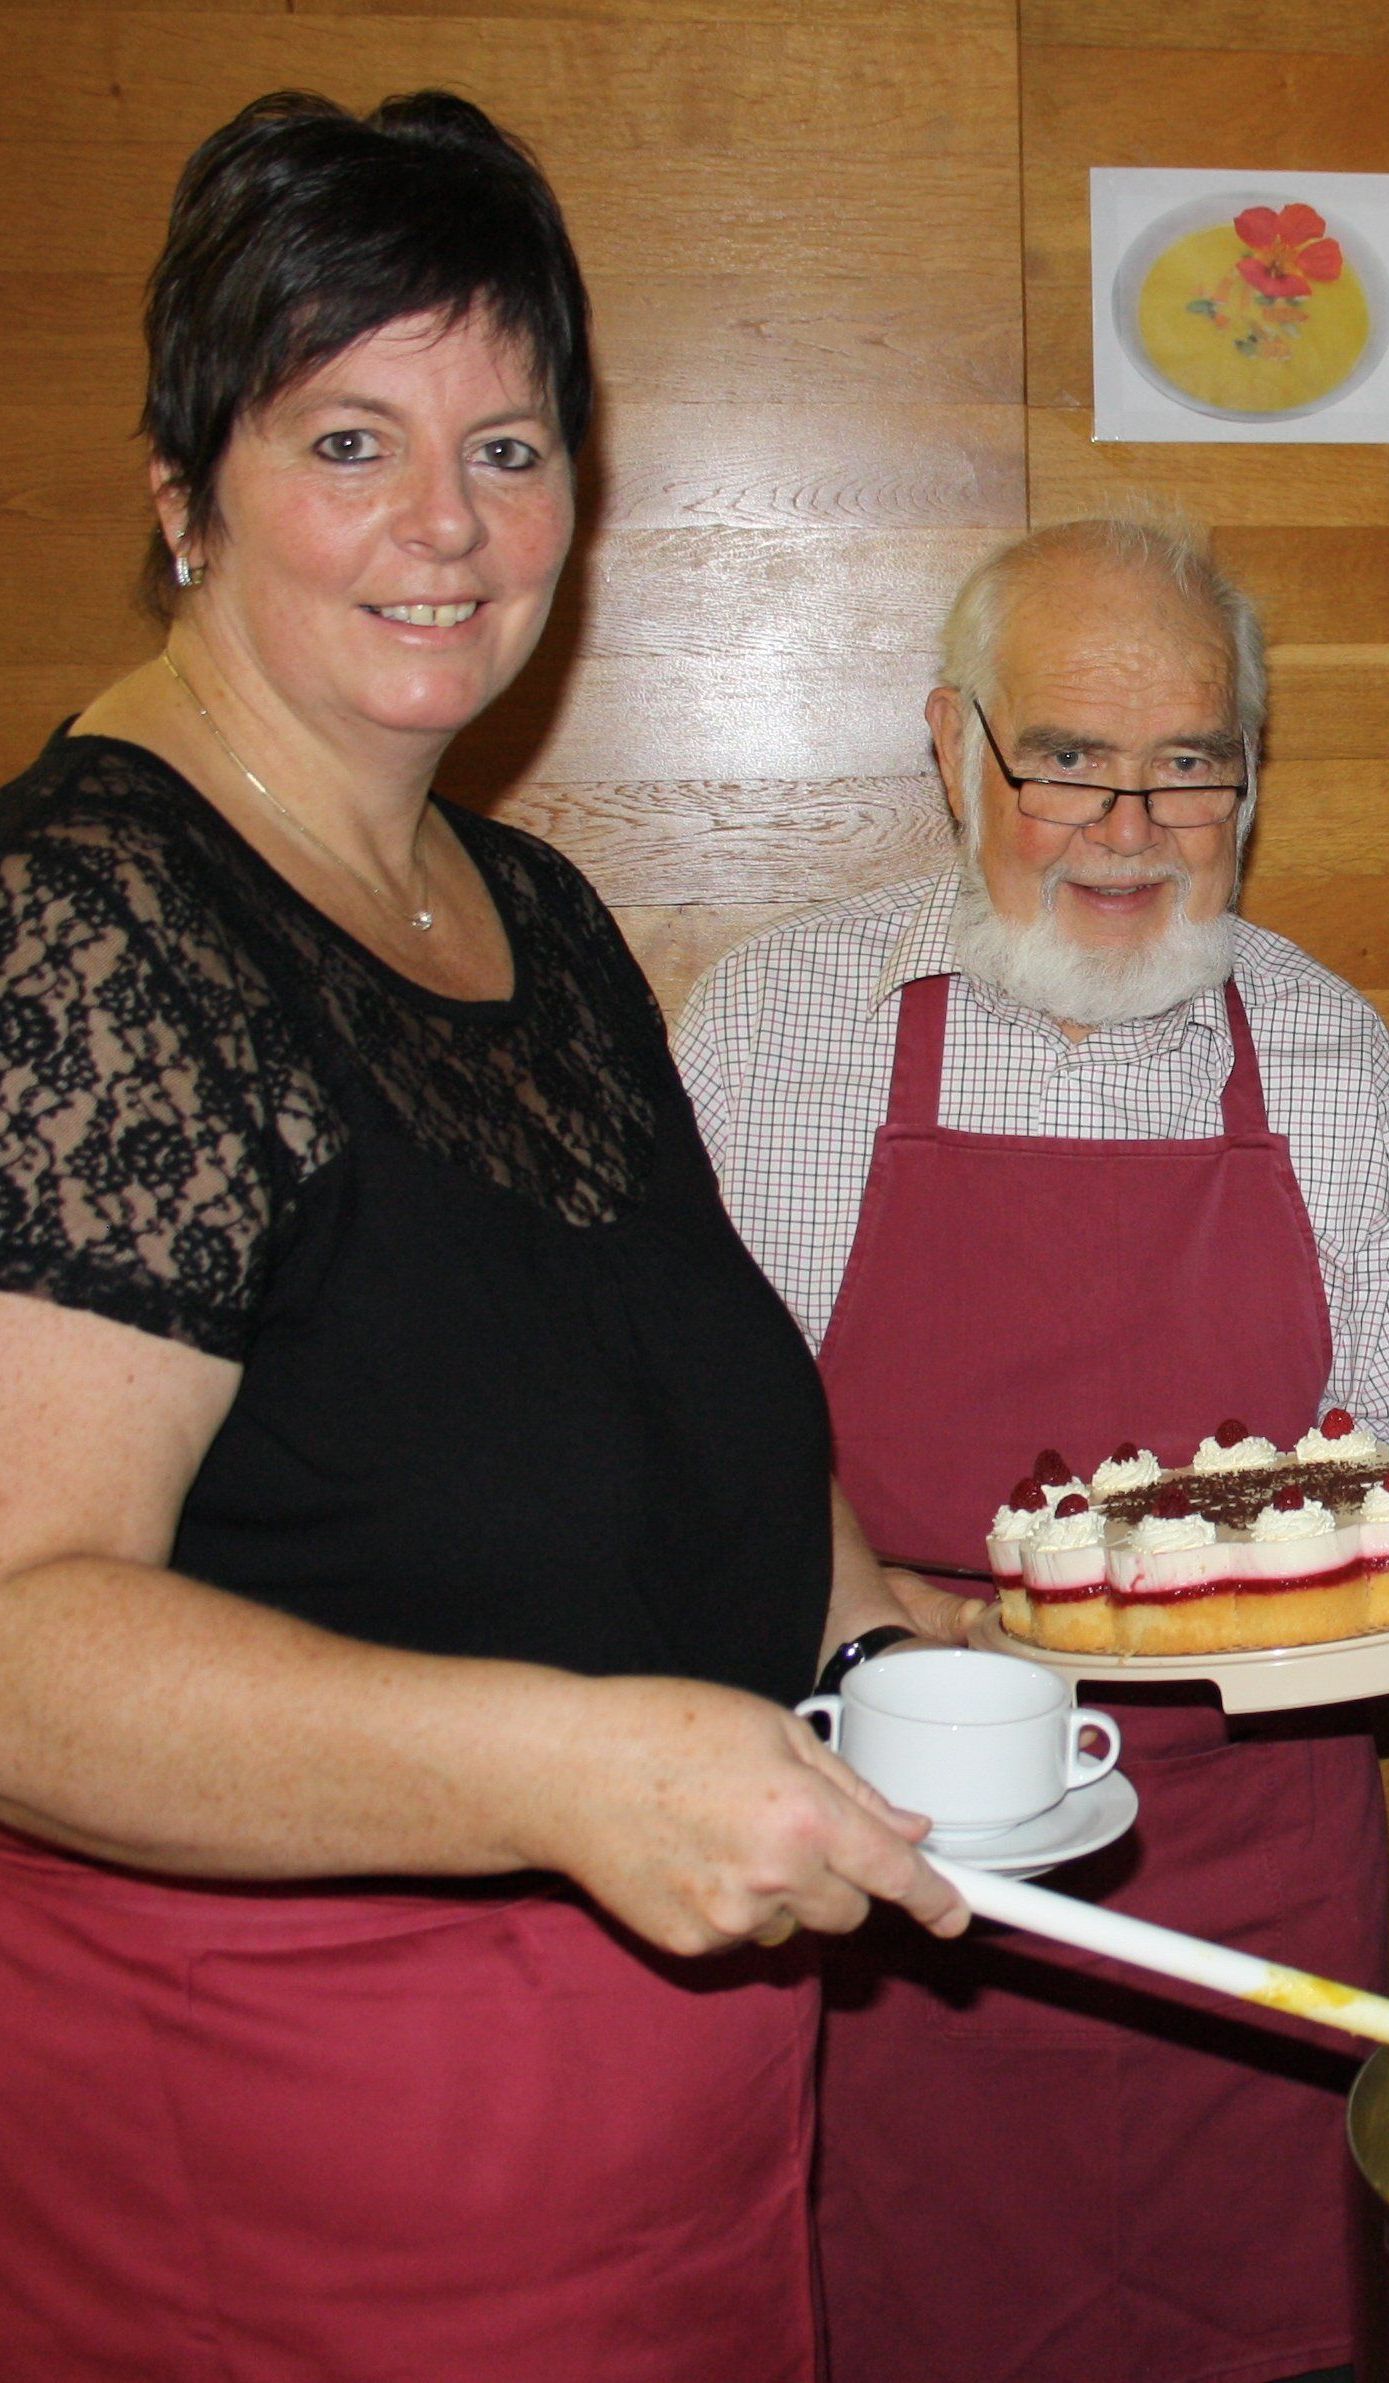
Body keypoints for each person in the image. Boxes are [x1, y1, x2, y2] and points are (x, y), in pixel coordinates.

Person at [0, 92, 965, 2383]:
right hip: (301, 2188)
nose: (444, 526)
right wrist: (565, 1769)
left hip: (679, 2162)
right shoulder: (83, 927)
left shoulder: (526, 904)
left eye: (510, 447)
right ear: (179, 493)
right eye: (349, 441)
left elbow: (655, 1387)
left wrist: (889, 1626)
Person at [676, 517, 1389, 2383]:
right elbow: (699, 1463)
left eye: (1190, 763)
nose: (1131, 825)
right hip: (901, 1847)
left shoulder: (1327, 1047)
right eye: (1066, 761)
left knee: (1271, 2324)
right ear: (956, 751)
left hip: (1256, 1839)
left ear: (1251, 782)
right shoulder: (781, 1027)